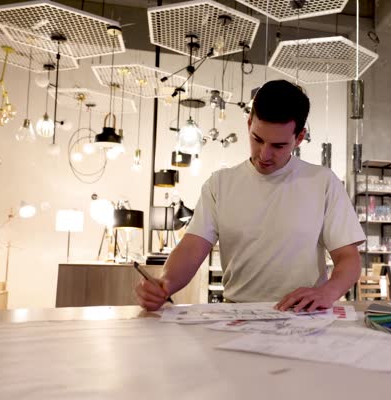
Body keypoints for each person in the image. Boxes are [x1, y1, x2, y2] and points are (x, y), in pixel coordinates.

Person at [135, 79, 364, 312]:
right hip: (237, 313)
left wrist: (328, 292)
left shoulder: (323, 182)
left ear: (299, 138)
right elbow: (192, 247)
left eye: (278, 146)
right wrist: (165, 284)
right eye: (257, 139)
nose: (264, 154)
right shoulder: (220, 184)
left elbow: (348, 258)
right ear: (248, 124)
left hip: (302, 314)